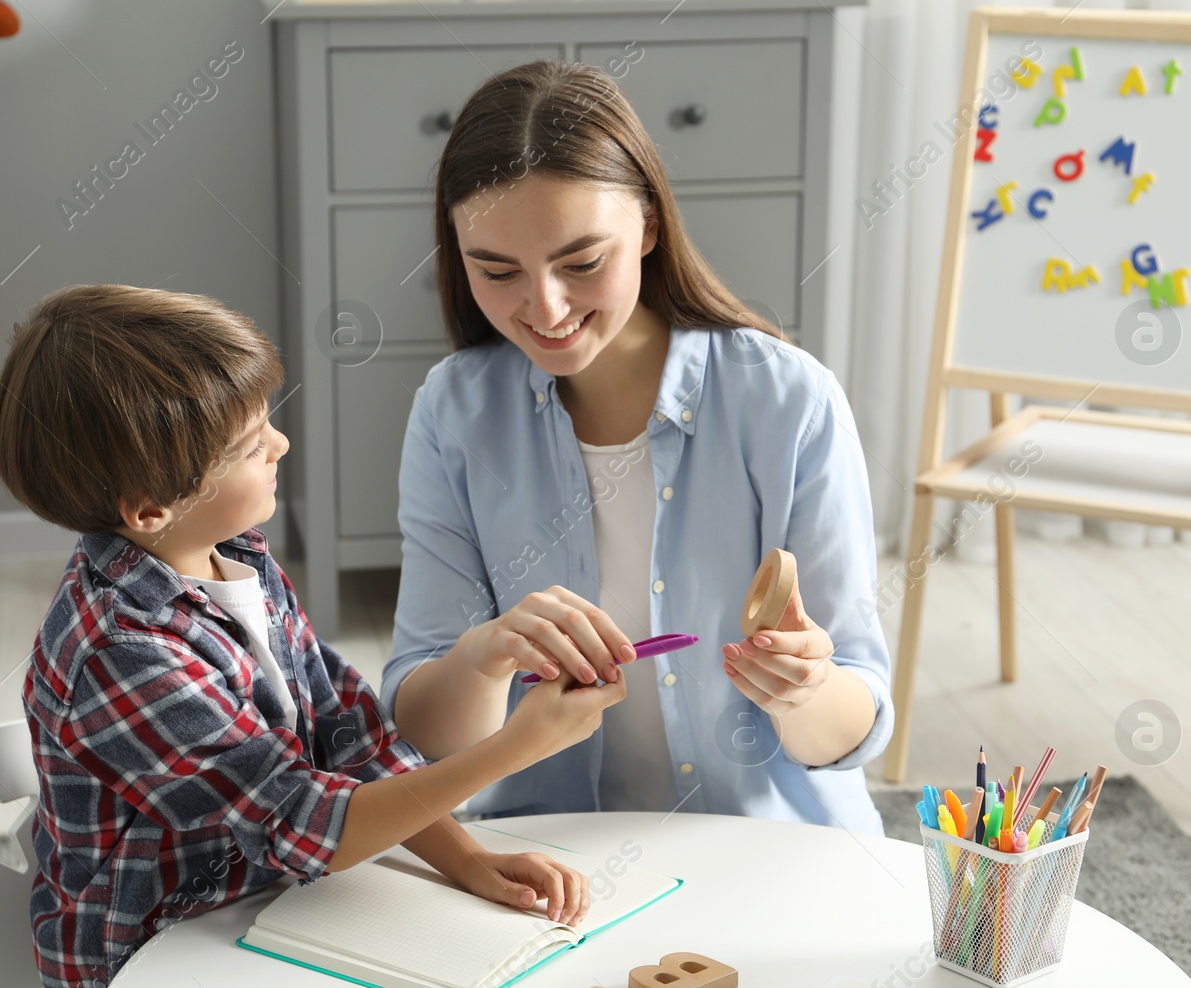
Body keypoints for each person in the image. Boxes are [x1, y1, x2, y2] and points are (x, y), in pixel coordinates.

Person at [0, 284, 625, 988]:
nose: (281, 446)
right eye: (251, 444)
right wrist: (515, 747)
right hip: (149, 971)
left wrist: (465, 857)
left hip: (272, 909)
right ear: (150, 508)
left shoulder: (236, 559)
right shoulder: (122, 652)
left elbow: (345, 738)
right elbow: (300, 819)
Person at [383, 60, 893, 833]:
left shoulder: (789, 402)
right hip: (547, 857)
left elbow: (856, 727)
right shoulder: (454, 414)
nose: (544, 308)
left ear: (649, 225)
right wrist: (483, 658)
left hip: (767, 850)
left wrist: (806, 687)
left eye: (582, 263)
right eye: (496, 270)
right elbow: (423, 729)